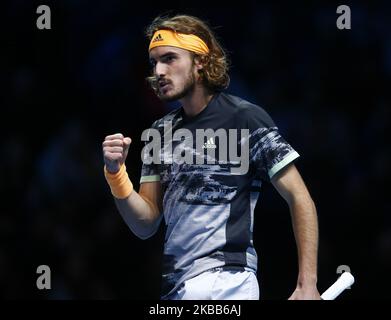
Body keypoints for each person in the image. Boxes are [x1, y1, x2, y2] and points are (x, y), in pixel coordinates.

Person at [102, 14, 320, 300]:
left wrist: (307, 283)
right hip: (176, 288)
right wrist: (116, 174)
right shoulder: (159, 132)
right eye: (154, 61)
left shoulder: (246, 118)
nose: (159, 70)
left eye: (169, 58)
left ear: (201, 61)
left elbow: (299, 197)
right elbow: (145, 224)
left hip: (226, 282)